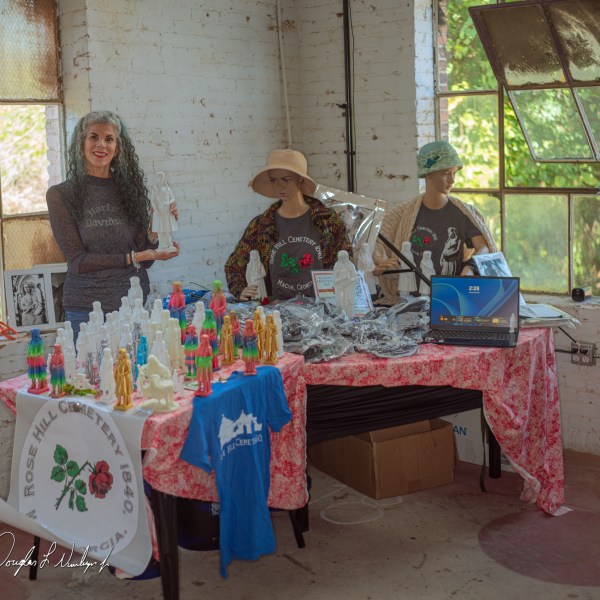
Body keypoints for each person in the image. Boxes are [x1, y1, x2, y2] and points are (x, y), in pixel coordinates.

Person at [46, 111, 180, 340]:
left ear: (117, 148)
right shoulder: (60, 195)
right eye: (94, 137)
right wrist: (134, 257)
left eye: (109, 139)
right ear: (81, 143)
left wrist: (158, 222)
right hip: (87, 310)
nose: (101, 145)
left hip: (135, 305)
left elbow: (146, 260)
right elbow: (78, 261)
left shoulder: (131, 192)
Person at [374, 141, 497, 305]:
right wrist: (378, 264)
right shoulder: (402, 214)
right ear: (428, 174)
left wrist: (470, 267)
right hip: (407, 300)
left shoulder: (463, 213)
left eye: (454, 173)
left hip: (449, 299)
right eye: (445, 173)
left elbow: (484, 247)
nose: (452, 180)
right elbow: (377, 242)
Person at [224, 149, 352, 301]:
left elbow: (347, 262)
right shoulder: (262, 225)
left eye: (286, 179)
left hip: (321, 309)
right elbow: (234, 265)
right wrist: (240, 290)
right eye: (274, 180)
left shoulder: (328, 222)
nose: (279, 186)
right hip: (276, 309)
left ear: (300, 180)